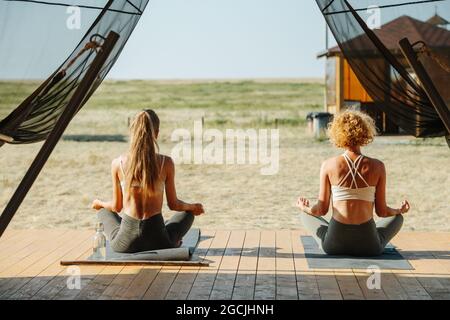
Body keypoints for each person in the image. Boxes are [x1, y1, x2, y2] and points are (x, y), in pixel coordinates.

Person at [297, 110, 410, 256]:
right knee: (398, 219)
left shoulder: (328, 165)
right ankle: (374, 237)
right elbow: (382, 212)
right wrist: (398, 211)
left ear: (337, 133)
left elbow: (320, 211)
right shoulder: (378, 166)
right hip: (369, 246)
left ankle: (327, 237)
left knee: (304, 215)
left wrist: (304, 208)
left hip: (334, 245)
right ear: (365, 132)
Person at [92, 109, 204, 253]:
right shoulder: (166, 162)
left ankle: (123, 230)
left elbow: (116, 206)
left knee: (103, 211)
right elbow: (174, 204)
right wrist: (193, 207)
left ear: (132, 133)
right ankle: (171, 238)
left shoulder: (117, 163)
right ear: (156, 133)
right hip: (160, 242)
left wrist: (98, 203)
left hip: (125, 245)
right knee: (188, 214)